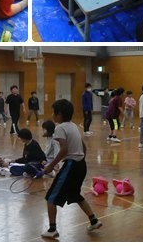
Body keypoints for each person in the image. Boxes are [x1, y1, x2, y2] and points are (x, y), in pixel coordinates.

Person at [41, 99, 102, 239]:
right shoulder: (73, 126)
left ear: (59, 114)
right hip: (81, 165)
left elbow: (64, 150)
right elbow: (83, 147)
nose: (52, 114)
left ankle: (52, 229)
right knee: (75, 195)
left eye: (53, 112)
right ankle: (94, 220)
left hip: (71, 165)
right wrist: (80, 159)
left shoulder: (60, 128)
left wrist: (51, 166)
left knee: (51, 197)